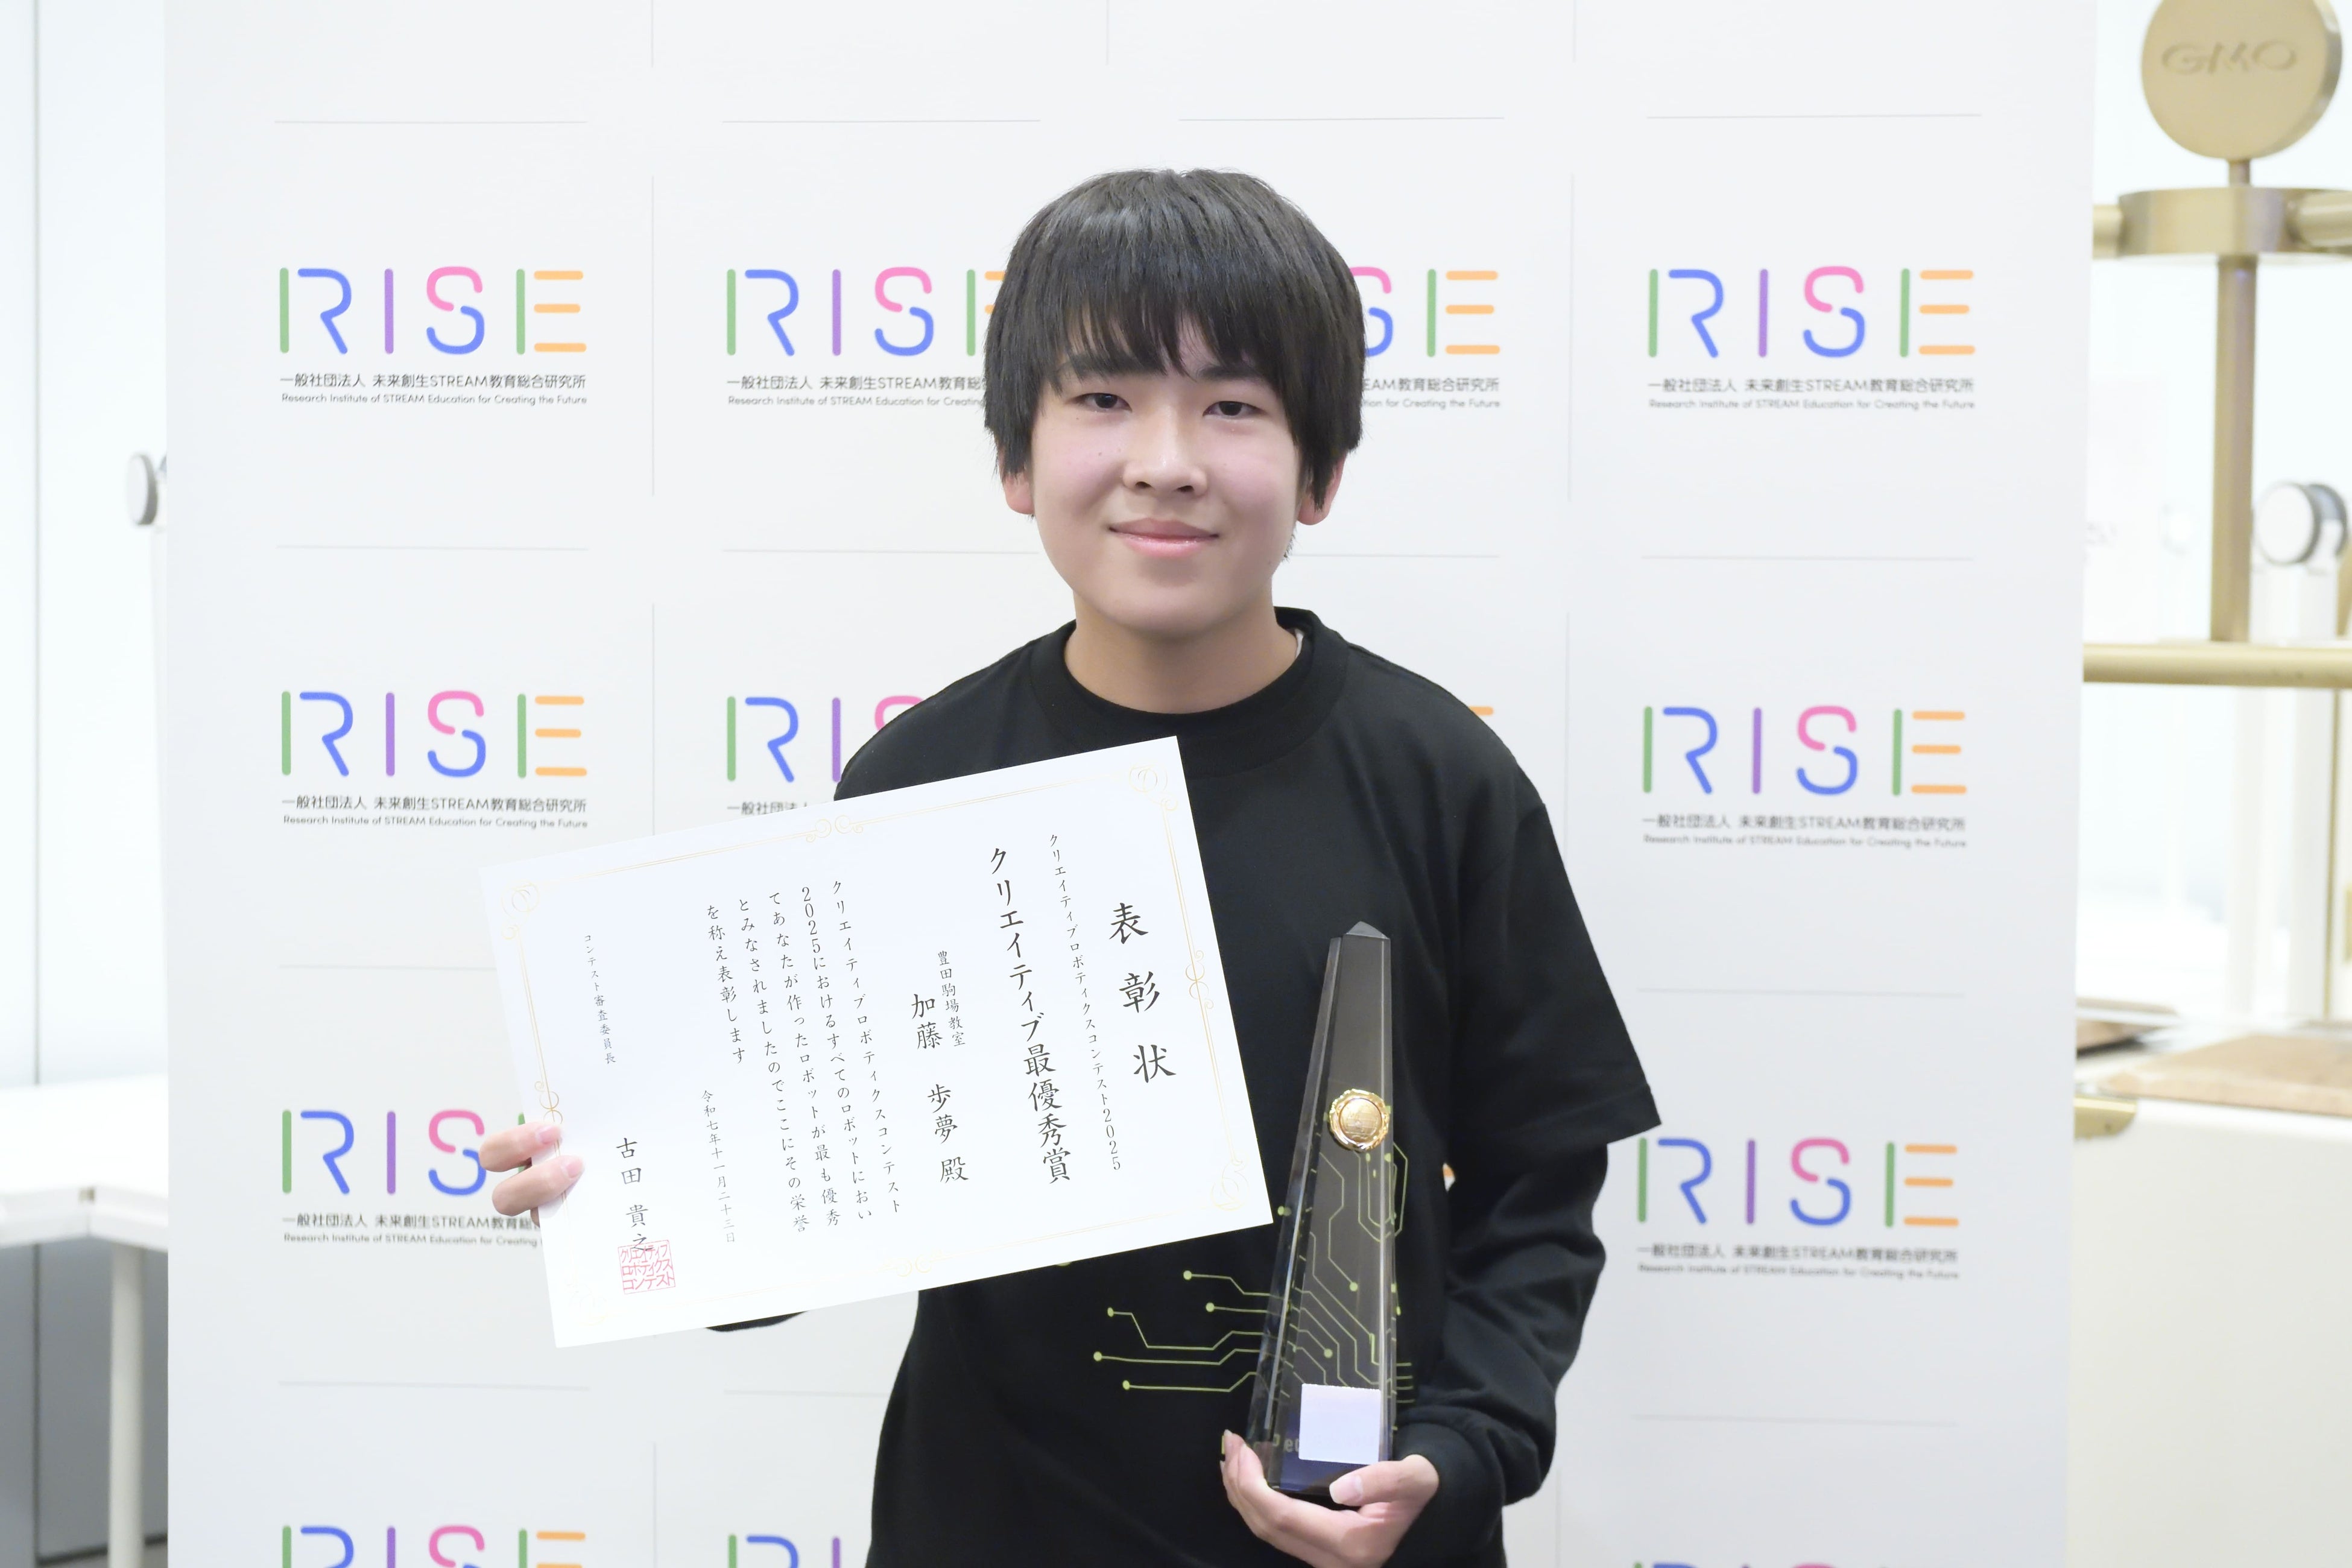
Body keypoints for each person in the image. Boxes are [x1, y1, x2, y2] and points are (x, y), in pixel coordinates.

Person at [481, 168, 1657, 1567]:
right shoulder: (922, 781)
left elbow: (1538, 1181)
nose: (1167, 459)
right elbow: (799, 1211)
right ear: (1016, 461)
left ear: (1322, 472)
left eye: (1234, 406)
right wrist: (625, 1175)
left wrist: (1460, 1452)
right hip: (994, 1525)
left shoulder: (1438, 778)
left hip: (1354, 1533)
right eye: (1104, 397)